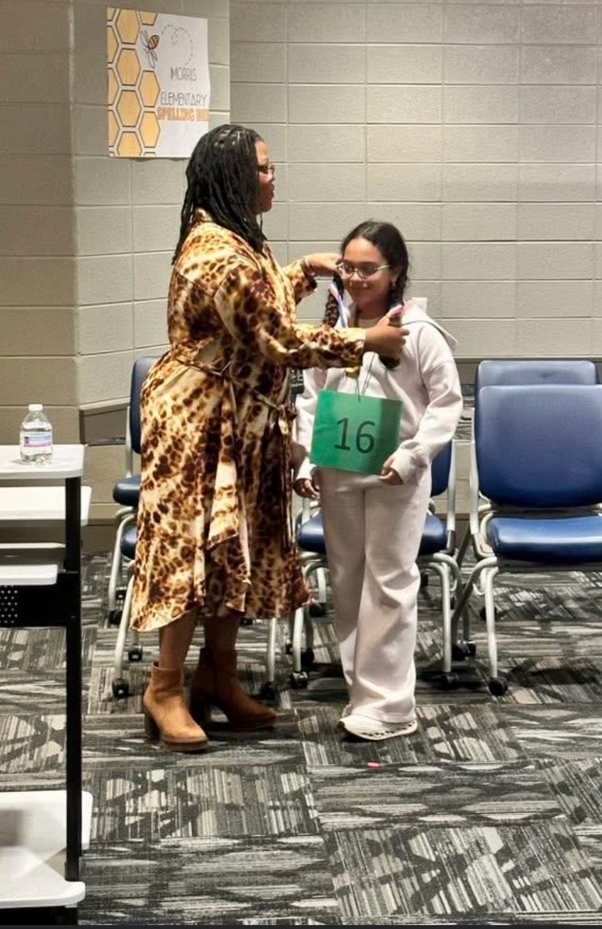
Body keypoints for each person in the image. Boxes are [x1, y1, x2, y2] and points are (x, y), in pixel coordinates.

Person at [130, 125, 408, 753]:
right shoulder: (216, 254)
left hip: (242, 425)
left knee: (236, 554)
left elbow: (261, 304)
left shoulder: (236, 241)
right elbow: (278, 340)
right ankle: (165, 687)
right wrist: (366, 341)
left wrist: (302, 270)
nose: (271, 176)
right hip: (199, 428)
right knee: (193, 556)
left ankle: (218, 679)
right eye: (260, 169)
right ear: (231, 178)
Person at [293, 220, 463, 742]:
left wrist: (414, 457)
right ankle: (361, 690)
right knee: (346, 580)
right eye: (348, 268)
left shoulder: (419, 333)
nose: (357, 278)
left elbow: (446, 404)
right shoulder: (336, 333)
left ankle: (390, 705)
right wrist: (306, 461)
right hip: (340, 470)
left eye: (369, 269)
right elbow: (312, 396)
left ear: (395, 273)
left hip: (395, 478)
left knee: (389, 582)